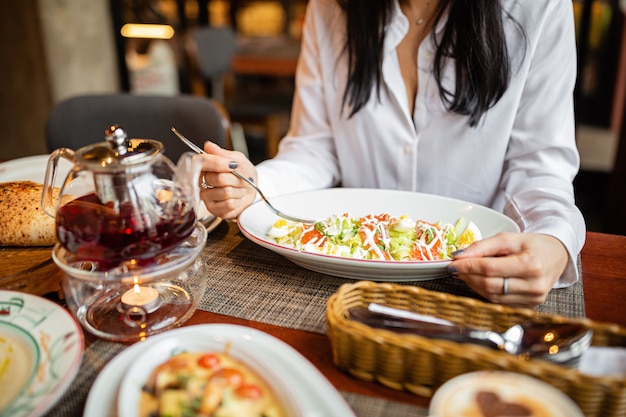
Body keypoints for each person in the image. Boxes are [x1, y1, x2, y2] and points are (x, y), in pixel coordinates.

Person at [197, 0, 586, 308]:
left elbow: (539, 168)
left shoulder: (538, 8)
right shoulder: (330, 8)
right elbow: (315, 147)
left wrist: (553, 241)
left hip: (470, 281)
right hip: (340, 281)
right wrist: (255, 184)